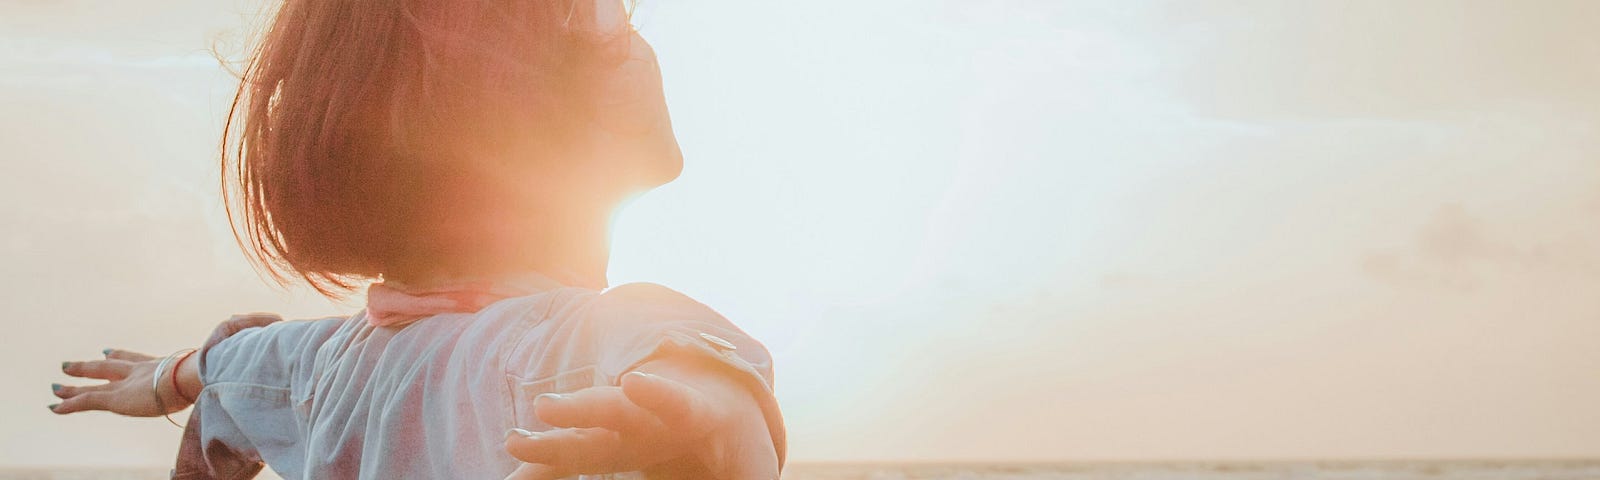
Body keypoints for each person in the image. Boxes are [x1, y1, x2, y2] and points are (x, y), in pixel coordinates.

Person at [46, 0, 784, 478]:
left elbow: (236, 368)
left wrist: (176, 374)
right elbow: (685, 359)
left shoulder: (325, 365)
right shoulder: (554, 348)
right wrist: (707, 418)